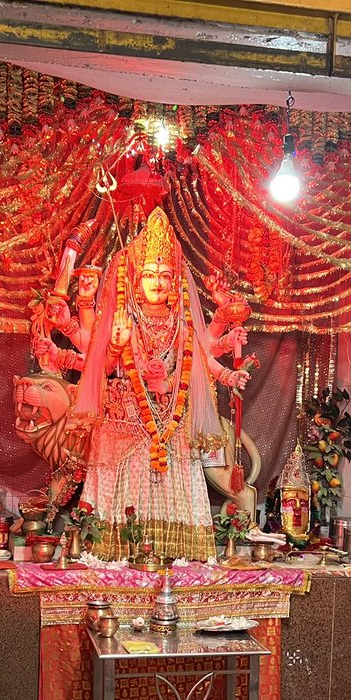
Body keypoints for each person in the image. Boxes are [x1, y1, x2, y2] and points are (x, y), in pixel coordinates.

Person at [72, 207, 251, 560]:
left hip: (172, 421)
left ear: (175, 282)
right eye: (150, 275)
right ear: (136, 279)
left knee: (177, 478)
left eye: (166, 275)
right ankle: (119, 553)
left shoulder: (181, 319)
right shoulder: (124, 316)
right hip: (126, 421)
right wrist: (116, 343)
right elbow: (103, 367)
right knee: (124, 488)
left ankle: (175, 553)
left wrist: (229, 376)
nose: (157, 282)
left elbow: (201, 360)